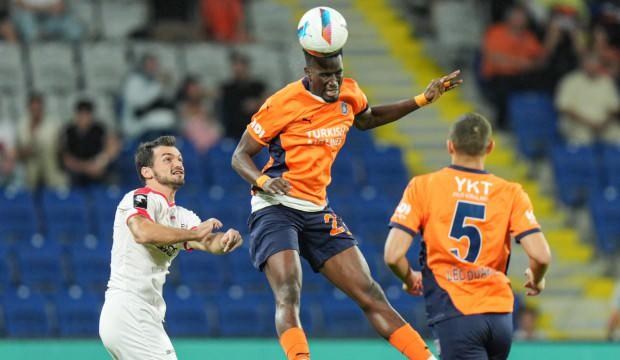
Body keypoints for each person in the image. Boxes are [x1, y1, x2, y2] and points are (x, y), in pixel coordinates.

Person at [231, 46, 462, 360]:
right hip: (276, 206)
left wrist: (422, 99)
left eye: (337, 73)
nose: (333, 81)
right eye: (325, 75)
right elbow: (239, 156)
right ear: (307, 74)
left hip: (316, 209)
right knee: (288, 291)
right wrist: (264, 181)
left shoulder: (349, 93)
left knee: (370, 293)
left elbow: (368, 119)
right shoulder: (282, 103)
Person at [384, 113, 552, 360]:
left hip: (456, 312)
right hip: (501, 317)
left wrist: (409, 279)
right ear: (490, 147)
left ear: (450, 145)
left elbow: (392, 255)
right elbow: (541, 255)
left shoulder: (424, 186)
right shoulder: (511, 192)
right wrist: (537, 279)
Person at [99, 135, 243, 359]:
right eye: (167, 159)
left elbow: (208, 241)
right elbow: (143, 232)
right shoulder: (139, 198)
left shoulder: (182, 216)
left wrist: (227, 240)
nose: (177, 164)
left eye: (180, 159)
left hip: (147, 315)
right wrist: (192, 233)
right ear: (147, 172)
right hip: (128, 309)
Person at [555, 53, 620, 145]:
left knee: (618, 135)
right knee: (584, 137)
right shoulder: (570, 81)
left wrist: (603, 123)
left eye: (595, 63)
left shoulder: (606, 81)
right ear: (583, 64)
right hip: (578, 125)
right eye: (589, 62)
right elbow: (564, 108)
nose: (592, 66)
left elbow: (614, 107)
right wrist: (590, 123)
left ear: (599, 65)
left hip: (604, 125)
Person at [59, 99, 120, 187]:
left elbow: (111, 149)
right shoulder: (69, 130)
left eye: (86, 114)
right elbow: (66, 158)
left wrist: (99, 163)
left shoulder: (99, 129)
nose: (84, 118)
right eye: (81, 114)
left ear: (91, 115)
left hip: (96, 168)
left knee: (112, 178)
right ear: (76, 115)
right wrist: (85, 168)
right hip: (75, 171)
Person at [16, 92, 67, 190]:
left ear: (42, 108)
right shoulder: (22, 124)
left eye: (38, 109)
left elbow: (61, 148)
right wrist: (25, 151)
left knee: (57, 178)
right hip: (29, 165)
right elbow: (18, 151)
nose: (36, 111)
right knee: (29, 172)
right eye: (33, 109)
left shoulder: (53, 123)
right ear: (28, 108)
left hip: (51, 163)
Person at [121, 54, 177, 140]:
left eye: (154, 65)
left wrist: (168, 85)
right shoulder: (134, 80)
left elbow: (168, 100)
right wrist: (158, 84)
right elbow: (140, 103)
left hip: (158, 123)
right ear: (143, 66)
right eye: (150, 65)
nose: (152, 68)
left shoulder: (154, 80)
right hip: (137, 125)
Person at [220, 51, 266, 140]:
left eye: (240, 65)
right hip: (233, 132)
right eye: (235, 65)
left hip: (256, 131)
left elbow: (269, 104)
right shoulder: (227, 88)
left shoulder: (257, 86)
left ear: (246, 67)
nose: (237, 69)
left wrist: (257, 103)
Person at [176, 76, 222, 153]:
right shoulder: (182, 107)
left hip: (207, 136)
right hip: (191, 139)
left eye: (196, 89)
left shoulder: (207, 104)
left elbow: (212, 122)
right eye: (191, 90)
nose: (194, 92)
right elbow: (183, 127)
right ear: (186, 91)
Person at [11, 0, 82, 42]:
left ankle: (73, 53)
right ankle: (35, 45)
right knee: (26, 18)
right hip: (30, 16)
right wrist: (44, 9)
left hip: (51, 17)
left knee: (73, 27)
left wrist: (47, 9)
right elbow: (19, 4)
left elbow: (60, 6)